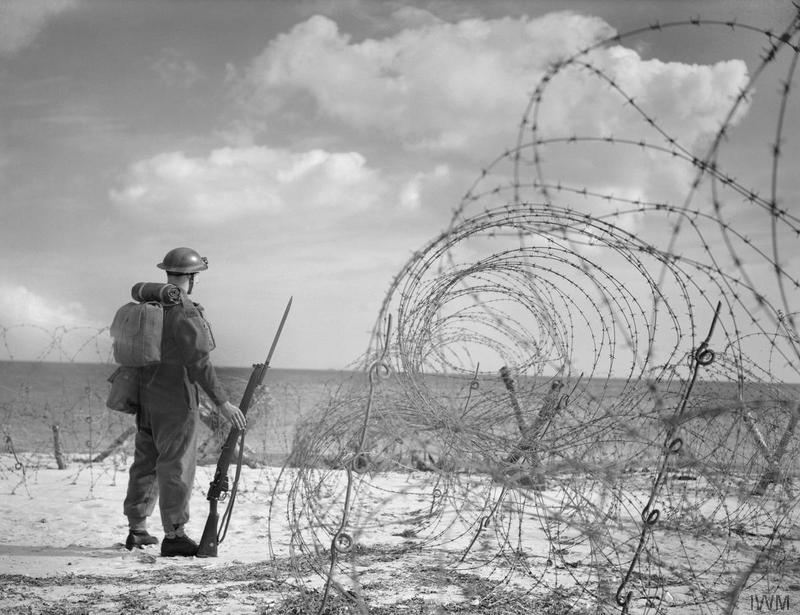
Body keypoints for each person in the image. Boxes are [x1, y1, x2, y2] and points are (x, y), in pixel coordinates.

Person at [123, 247, 247, 556]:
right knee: (177, 466)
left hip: (146, 398)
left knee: (145, 465)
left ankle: (137, 529)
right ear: (190, 278)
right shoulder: (185, 312)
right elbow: (199, 363)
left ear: (167, 274)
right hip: (177, 401)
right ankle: (175, 535)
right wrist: (223, 403)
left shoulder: (151, 306)